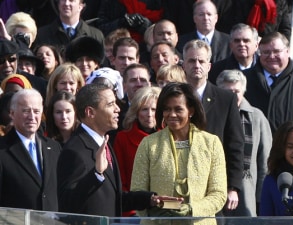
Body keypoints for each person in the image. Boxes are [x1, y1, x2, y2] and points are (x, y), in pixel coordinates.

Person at [57, 83, 174, 216]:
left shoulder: (103, 143)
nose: (117, 109)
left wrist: (150, 199)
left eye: (116, 103)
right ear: (90, 112)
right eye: (110, 104)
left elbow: (113, 199)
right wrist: (96, 174)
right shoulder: (74, 151)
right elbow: (66, 203)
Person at [131, 82, 227, 222]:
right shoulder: (148, 144)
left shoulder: (211, 143)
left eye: (178, 109)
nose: (172, 114)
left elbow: (219, 194)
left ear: (191, 111)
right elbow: (137, 192)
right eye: (167, 109)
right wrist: (152, 205)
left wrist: (192, 209)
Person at [182, 39, 244, 213]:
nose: (196, 65)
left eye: (201, 61)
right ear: (183, 65)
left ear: (209, 66)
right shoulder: (172, 96)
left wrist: (233, 187)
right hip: (179, 182)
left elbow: (235, 145)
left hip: (214, 183)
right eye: (191, 61)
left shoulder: (226, 99)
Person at [216, 69, 272, 217]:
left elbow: (265, 159)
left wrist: (261, 196)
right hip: (216, 187)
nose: (232, 96)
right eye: (227, 92)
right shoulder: (211, 114)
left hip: (248, 190)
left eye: (236, 91)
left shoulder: (257, 117)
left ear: (244, 91)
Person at [0, 89, 62, 211]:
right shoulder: (2, 150)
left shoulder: (54, 147)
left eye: (36, 111)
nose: (32, 117)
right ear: (12, 114)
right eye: (26, 111)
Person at [114, 86, 160, 217]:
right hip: (134, 212)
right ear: (136, 111)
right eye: (145, 109)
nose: (150, 114)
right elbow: (121, 179)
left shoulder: (169, 137)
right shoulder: (123, 138)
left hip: (164, 210)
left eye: (154, 109)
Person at [33, 0, 104, 52]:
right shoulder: (42, 34)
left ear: (81, 6)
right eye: (63, 0)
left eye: (71, 0)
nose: (66, 3)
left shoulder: (95, 35)